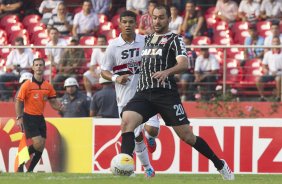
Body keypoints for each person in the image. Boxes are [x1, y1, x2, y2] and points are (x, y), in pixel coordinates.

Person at [119, 5, 234, 180]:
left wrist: (167, 72)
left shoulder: (174, 39)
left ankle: (220, 164)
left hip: (166, 95)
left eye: (161, 18)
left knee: (187, 137)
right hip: (144, 93)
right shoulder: (147, 39)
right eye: (155, 17)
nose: (157, 21)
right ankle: (125, 169)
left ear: (169, 19)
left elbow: (183, 63)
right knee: (127, 121)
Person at [101, 10, 160, 177]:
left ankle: (151, 136)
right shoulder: (113, 46)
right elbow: (103, 71)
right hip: (125, 99)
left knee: (152, 130)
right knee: (136, 137)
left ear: (136, 24)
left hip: (147, 94)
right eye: (124, 22)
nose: (127, 25)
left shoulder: (145, 41)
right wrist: (115, 78)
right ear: (119, 24)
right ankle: (148, 168)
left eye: (130, 22)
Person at [15, 58, 64, 172]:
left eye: (41, 65)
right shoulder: (27, 85)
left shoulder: (48, 86)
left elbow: (53, 102)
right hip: (29, 117)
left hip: (40, 118)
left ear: (43, 67)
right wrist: (19, 117)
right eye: (36, 65)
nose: (38, 67)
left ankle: (30, 170)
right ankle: (20, 160)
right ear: (33, 68)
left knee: (41, 146)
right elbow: (19, 101)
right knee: (38, 143)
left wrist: (60, 106)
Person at [0, 37, 34, 101]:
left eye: (19, 45)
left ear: (23, 44)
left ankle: (22, 97)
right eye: (17, 45)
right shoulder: (13, 52)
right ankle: (6, 97)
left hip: (25, 73)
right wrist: (12, 66)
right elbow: (7, 65)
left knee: (25, 78)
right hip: (14, 73)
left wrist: (22, 68)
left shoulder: (29, 52)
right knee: (1, 77)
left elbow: (32, 66)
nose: (18, 47)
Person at [256, 36, 282, 102]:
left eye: (277, 41)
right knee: (258, 79)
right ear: (272, 43)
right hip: (270, 73)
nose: (275, 43)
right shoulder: (268, 54)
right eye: (274, 42)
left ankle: (278, 97)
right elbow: (264, 65)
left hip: (280, 73)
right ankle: (262, 96)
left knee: (278, 79)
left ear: (279, 42)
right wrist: (266, 70)